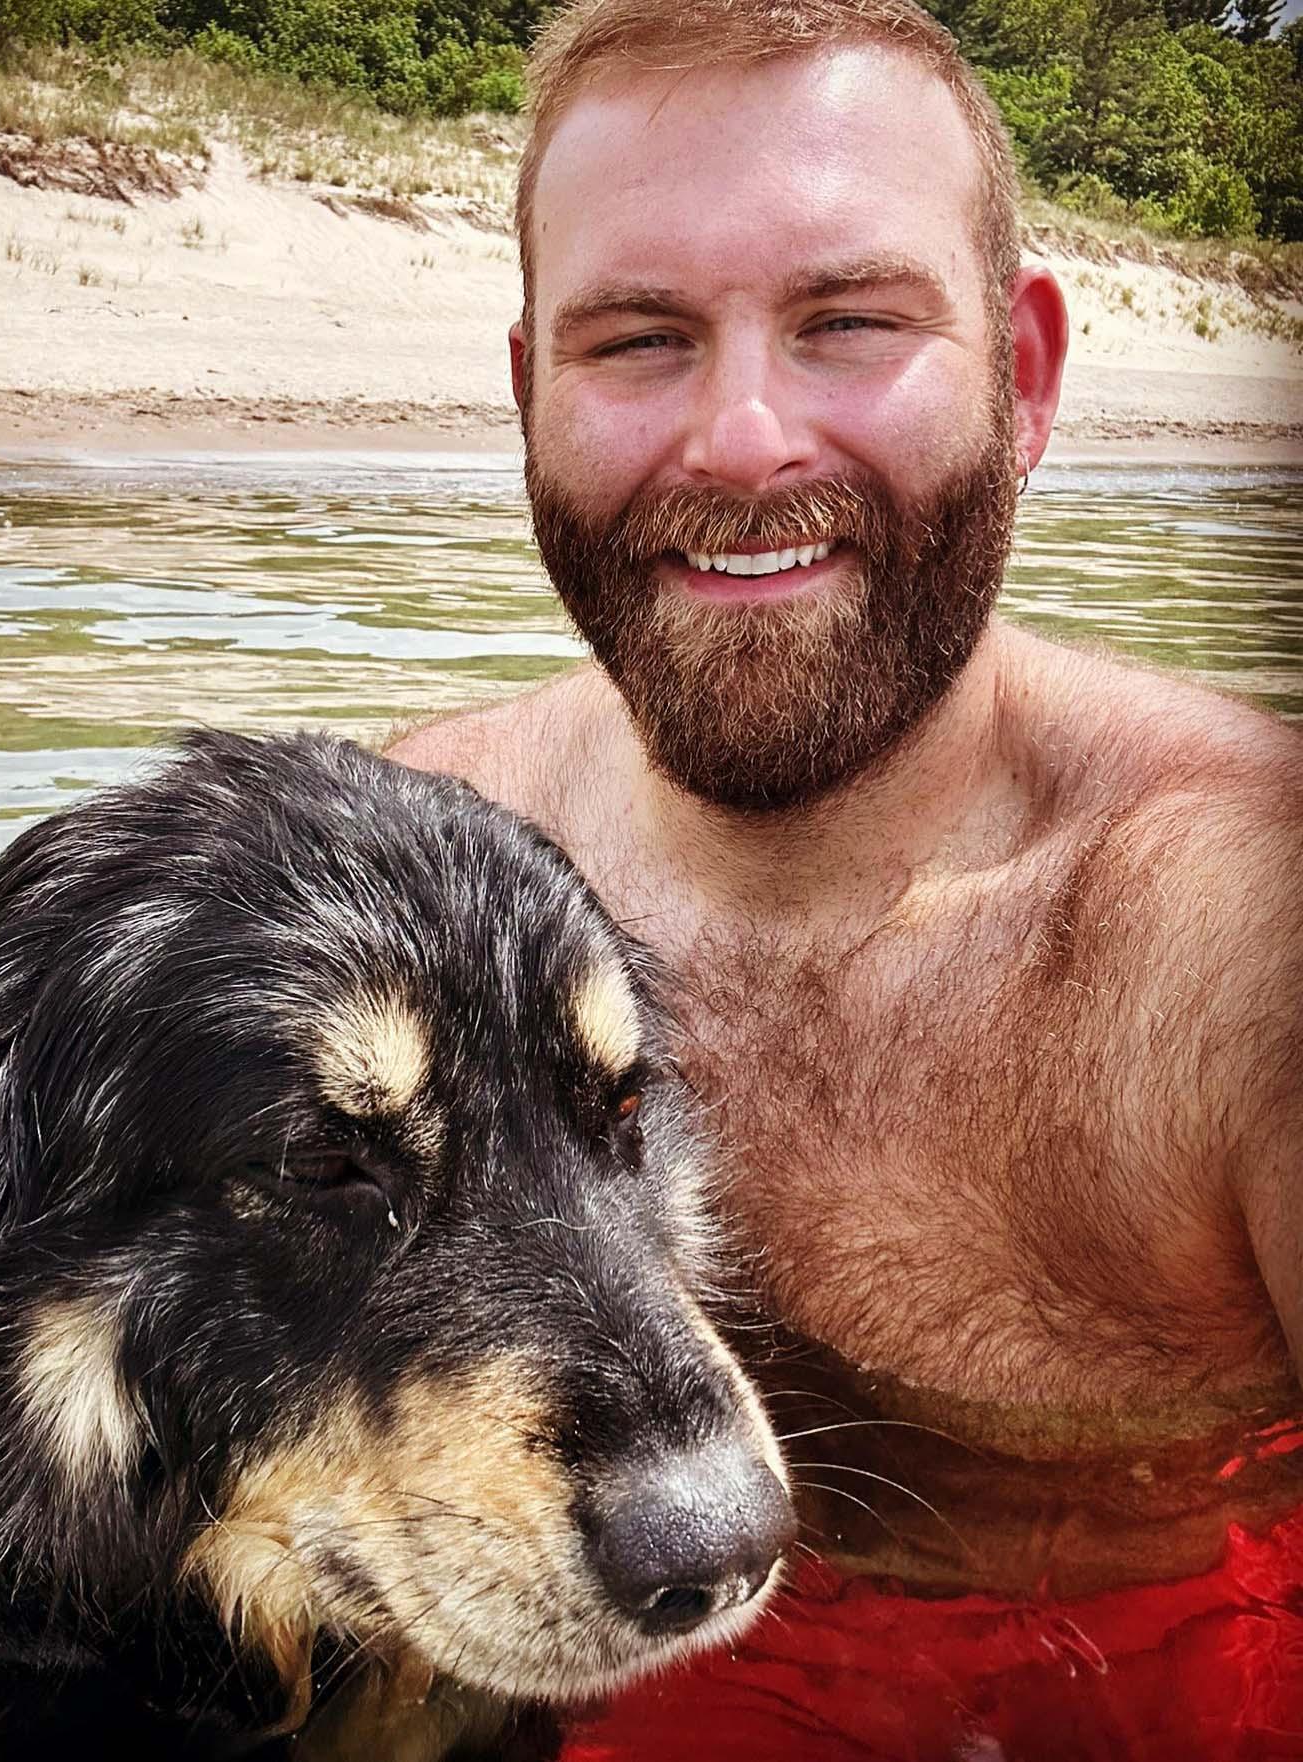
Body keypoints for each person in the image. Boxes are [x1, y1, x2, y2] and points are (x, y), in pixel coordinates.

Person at [387, 0, 1303, 1753]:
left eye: (849, 322)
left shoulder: (1238, 932)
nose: (741, 444)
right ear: (528, 392)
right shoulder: (416, 863)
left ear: (1025, 378)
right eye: (640, 340)